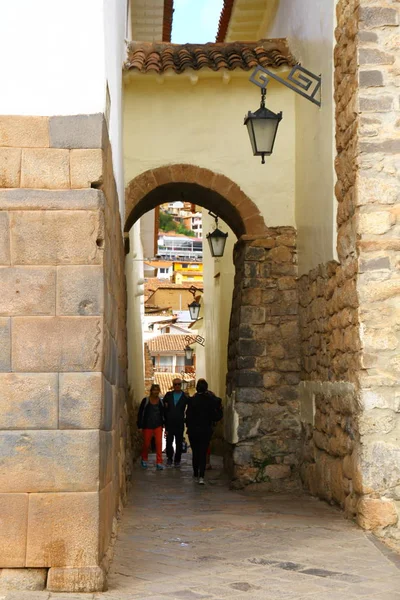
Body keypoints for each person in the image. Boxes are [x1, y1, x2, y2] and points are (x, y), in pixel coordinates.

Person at [186, 379, 223, 485]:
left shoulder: (192, 400)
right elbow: (217, 413)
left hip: (193, 430)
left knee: (195, 452)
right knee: (203, 452)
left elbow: (188, 416)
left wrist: (188, 425)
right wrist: (220, 411)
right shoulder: (210, 400)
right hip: (205, 430)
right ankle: (201, 476)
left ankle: (195, 473)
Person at [137, 383, 165, 470]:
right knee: (146, 443)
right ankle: (144, 459)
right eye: (154, 390)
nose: (156, 391)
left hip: (158, 425)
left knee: (159, 444)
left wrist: (164, 424)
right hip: (147, 425)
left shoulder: (160, 402)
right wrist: (139, 425)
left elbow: (163, 413)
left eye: (157, 390)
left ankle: (159, 462)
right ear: (151, 391)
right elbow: (140, 413)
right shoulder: (145, 401)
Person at [163, 378, 188, 467]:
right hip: (169, 423)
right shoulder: (168, 395)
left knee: (179, 442)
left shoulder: (185, 397)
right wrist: (164, 423)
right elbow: (164, 409)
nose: (177, 386)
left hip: (179, 423)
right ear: (173, 385)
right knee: (169, 441)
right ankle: (169, 458)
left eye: (178, 384)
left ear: (180, 385)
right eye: (175, 384)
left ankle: (177, 460)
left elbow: (190, 409)